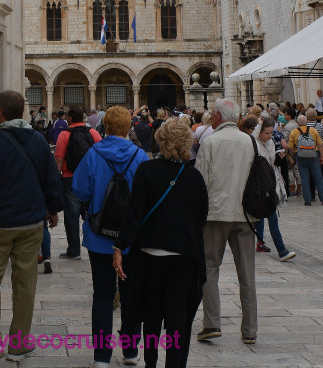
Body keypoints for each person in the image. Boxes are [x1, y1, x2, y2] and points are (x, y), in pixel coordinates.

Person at [0, 89, 63, 366]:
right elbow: (50, 178)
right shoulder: (38, 141)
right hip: (31, 223)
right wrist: (53, 210)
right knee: (25, 282)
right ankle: (19, 344)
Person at [114, 116, 208, 368]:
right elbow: (201, 217)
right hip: (183, 260)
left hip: (149, 257)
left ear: (160, 140)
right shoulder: (194, 178)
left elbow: (134, 214)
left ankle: (151, 362)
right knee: (178, 321)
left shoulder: (146, 171)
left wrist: (119, 247)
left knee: (152, 318)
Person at [72, 105, 148, 367]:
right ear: (129, 127)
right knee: (130, 295)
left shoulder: (93, 154)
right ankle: (130, 352)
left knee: (103, 295)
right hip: (130, 239)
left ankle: (101, 356)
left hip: (99, 236)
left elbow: (80, 189)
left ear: (105, 127)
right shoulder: (139, 156)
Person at [195, 98, 257, 345]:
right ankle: (250, 329)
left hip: (216, 215)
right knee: (247, 273)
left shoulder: (210, 142)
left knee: (210, 268)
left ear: (218, 117)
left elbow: (201, 182)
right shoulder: (249, 141)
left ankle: (211, 323)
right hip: (245, 215)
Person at [54, 105, 101, 259]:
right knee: (91, 213)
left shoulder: (64, 135)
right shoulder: (93, 133)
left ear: (70, 118)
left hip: (70, 178)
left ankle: (74, 250)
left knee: (71, 215)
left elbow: (59, 158)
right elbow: (101, 154)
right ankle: (95, 246)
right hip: (90, 178)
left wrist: (56, 178)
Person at [252, 116, 296, 261]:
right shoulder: (254, 143)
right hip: (258, 185)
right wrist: (258, 125)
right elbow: (251, 139)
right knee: (261, 218)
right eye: (266, 133)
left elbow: (271, 162)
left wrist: (278, 159)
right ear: (259, 132)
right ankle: (275, 249)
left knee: (271, 218)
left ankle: (280, 250)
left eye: (271, 132)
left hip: (270, 184)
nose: (270, 136)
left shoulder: (271, 143)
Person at [287, 114, 323, 206]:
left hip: (301, 157)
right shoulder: (313, 131)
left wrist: (295, 152)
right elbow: (320, 145)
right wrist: (322, 156)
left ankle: (307, 200)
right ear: (306, 122)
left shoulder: (294, 132)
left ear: (298, 123)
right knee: (318, 178)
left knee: (304, 178)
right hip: (314, 155)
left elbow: (290, 147)